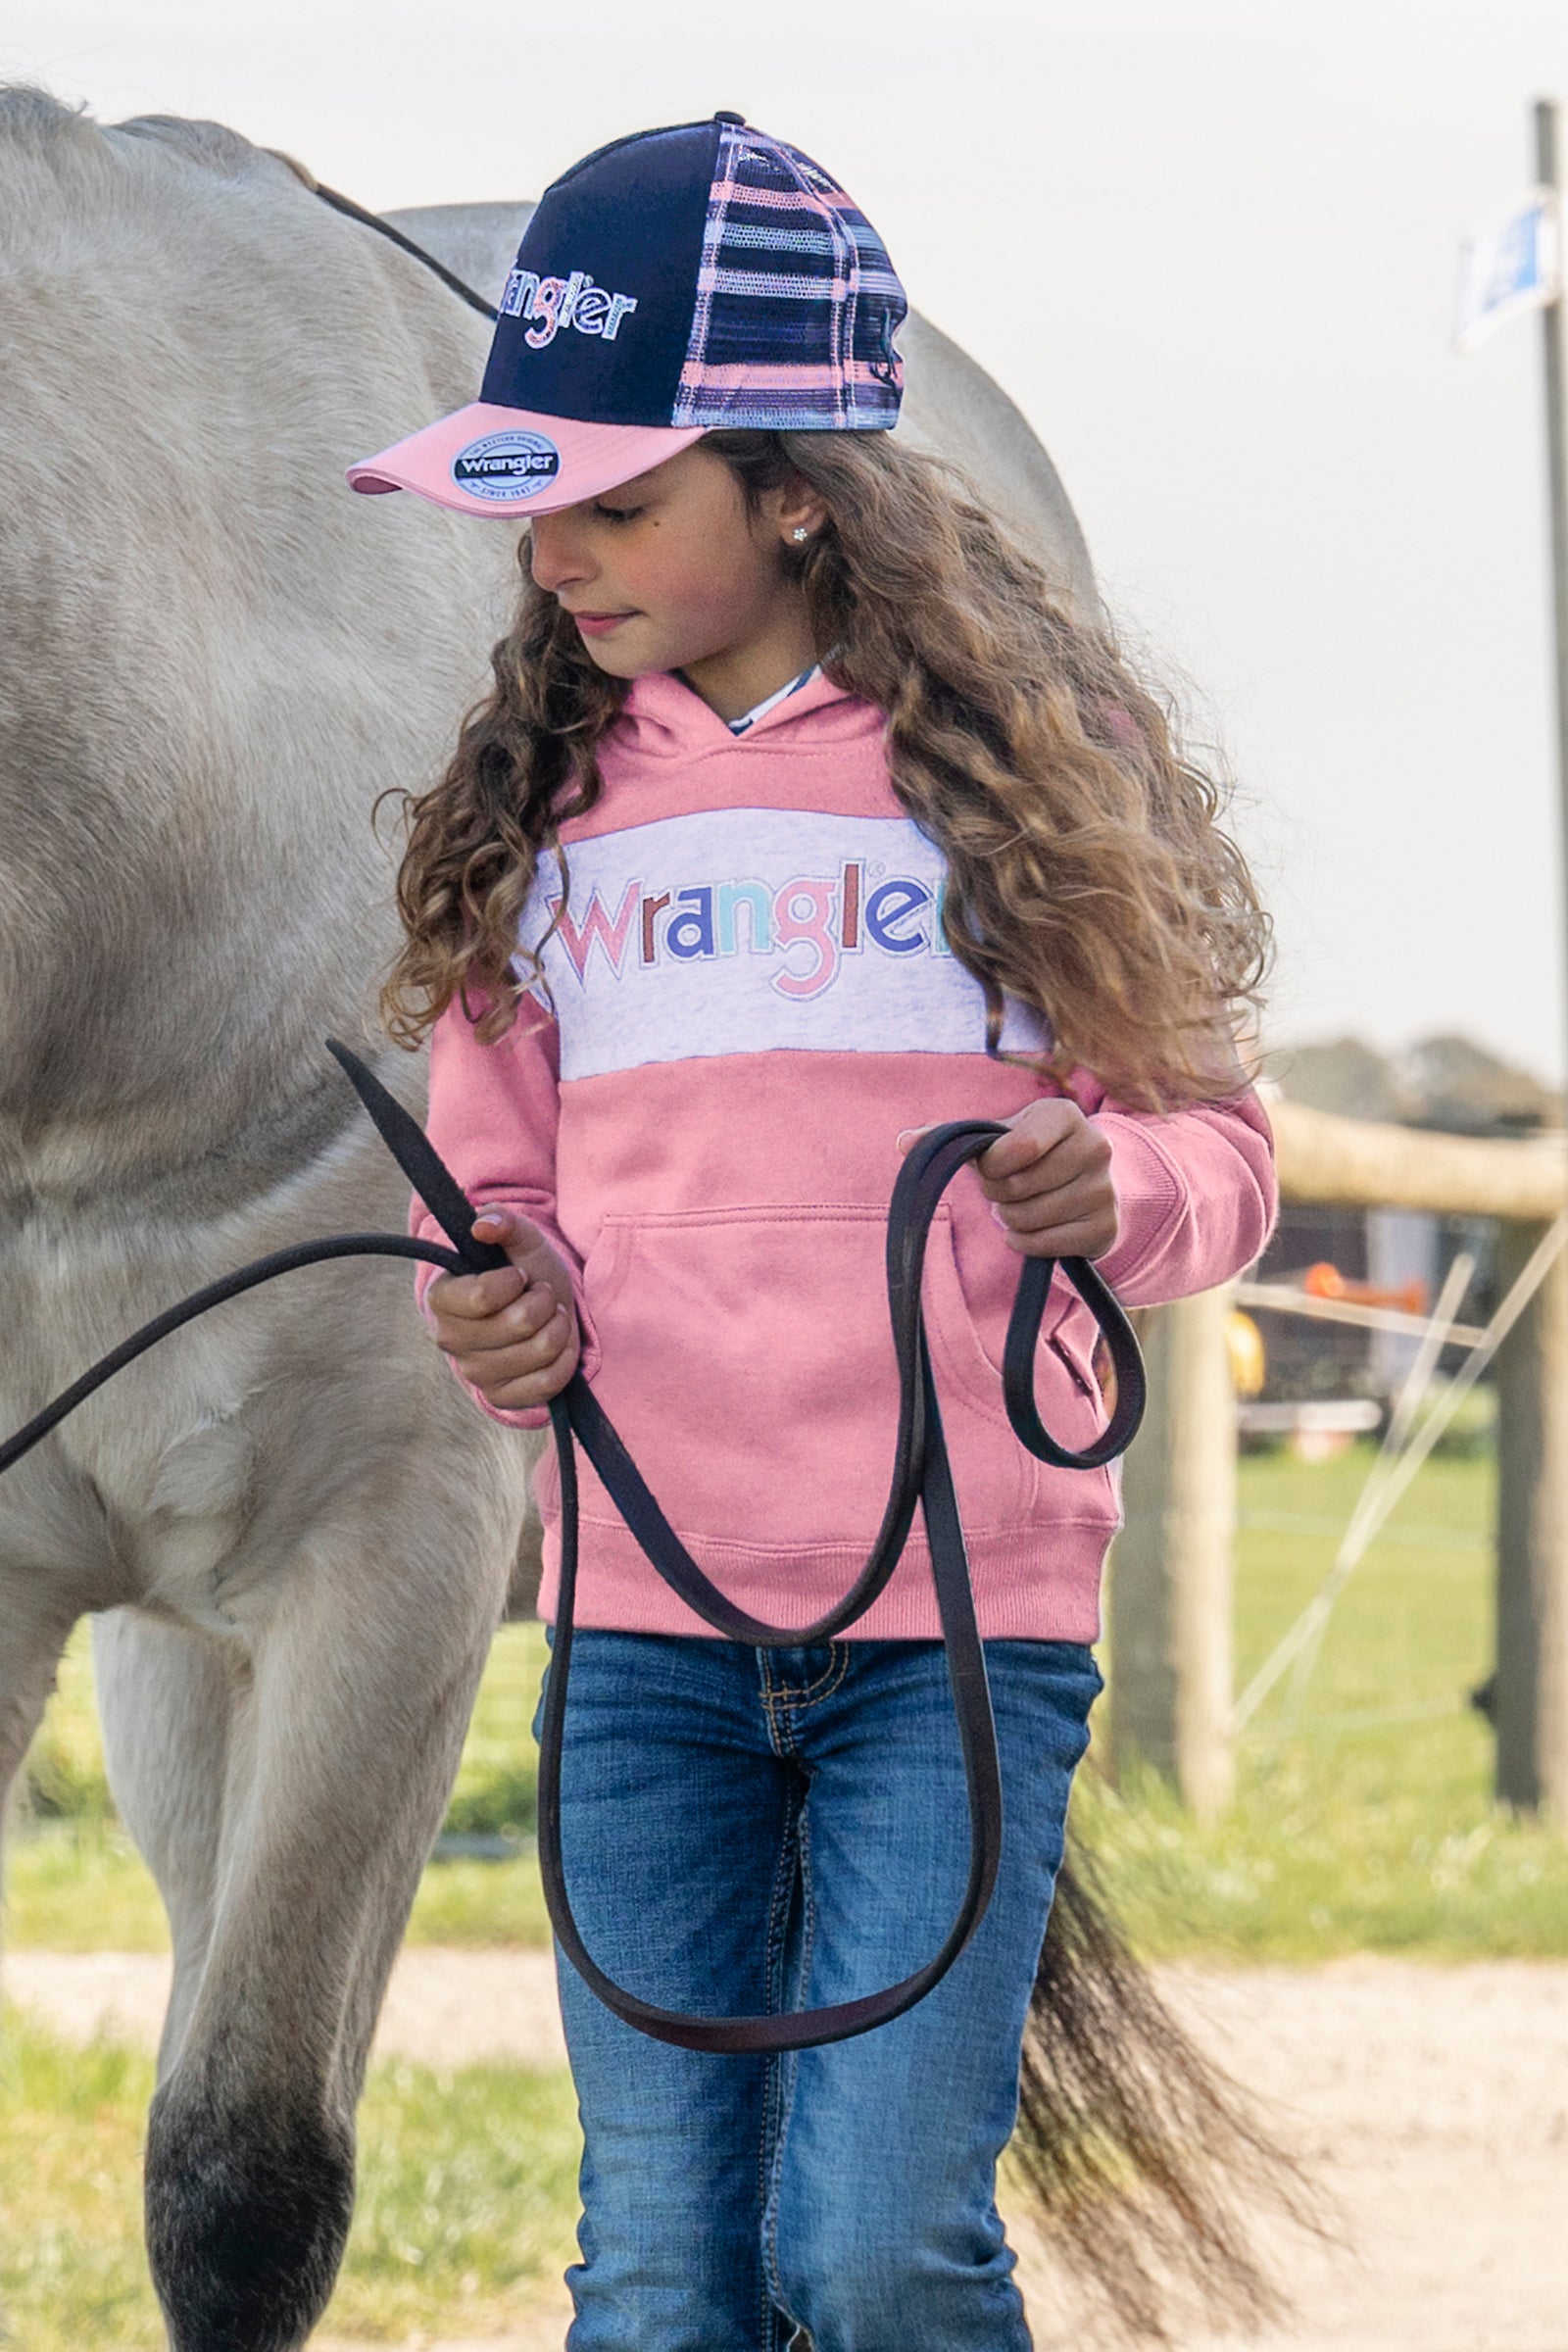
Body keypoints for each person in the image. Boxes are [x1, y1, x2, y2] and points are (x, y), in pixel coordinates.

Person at [351, 112, 1277, 2352]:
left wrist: (1109, 1186)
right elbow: (496, 1202)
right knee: (658, 2274)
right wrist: (501, 1303)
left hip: (950, 1639)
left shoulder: (1031, 780)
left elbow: (1216, 1158)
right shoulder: (539, 817)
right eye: (531, 498)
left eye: (617, 495)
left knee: (871, 2256)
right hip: (644, 1634)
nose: (557, 549)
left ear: (792, 482)